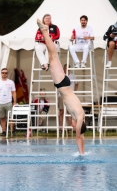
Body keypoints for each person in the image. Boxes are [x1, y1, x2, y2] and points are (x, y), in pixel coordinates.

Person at [37, 19, 86, 155]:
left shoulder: (79, 117)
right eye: (74, 126)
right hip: (62, 84)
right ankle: (45, 31)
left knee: (53, 57)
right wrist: (81, 154)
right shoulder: (80, 117)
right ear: (80, 125)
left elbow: (82, 136)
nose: (72, 125)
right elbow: (78, 136)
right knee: (53, 56)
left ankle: (45, 32)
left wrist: (83, 151)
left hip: (62, 84)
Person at [0, 68, 16, 136]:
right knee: (2, 118)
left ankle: (12, 131)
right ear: (1, 73)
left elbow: (14, 92)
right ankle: (4, 131)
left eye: (5, 73)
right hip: (0, 103)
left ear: (7, 74)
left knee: (11, 118)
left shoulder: (11, 82)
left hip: (8, 102)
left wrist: (14, 102)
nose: (4, 74)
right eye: (3, 73)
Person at [58, 64, 78, 132]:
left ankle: (70, 128)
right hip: (61, 96)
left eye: (68, 68)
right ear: (63, 68)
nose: (66, 69)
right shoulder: (60, 75)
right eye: (65, 68)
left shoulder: (72, 76)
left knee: (69, 112)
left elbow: (77, 83)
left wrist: (74, 92)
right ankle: (60, 128)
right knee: (61, 112)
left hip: (70, 96)